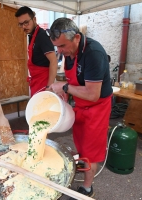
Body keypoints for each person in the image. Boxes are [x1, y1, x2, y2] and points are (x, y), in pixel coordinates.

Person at [48, 18, 113, 199]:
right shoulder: (69, 52)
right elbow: (74, 79)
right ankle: (82, 164)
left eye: (62, 46)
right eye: (56, 47)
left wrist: (65, 88)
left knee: (91, 151)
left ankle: (86, 188)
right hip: (81, 106)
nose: (59, 52)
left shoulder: (94, 53)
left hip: (97, 108)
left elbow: (93, 94)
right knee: (81, 143)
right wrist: (67, 91)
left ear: (76, 37)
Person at [15, 6, 58, 97]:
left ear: (34, 19)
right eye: (21, 24)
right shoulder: (32, 35)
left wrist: (49, 87)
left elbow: (53, 61)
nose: (23, 27)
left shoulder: (42, 36)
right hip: (36, 81)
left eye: (26, 23)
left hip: (44, 83)